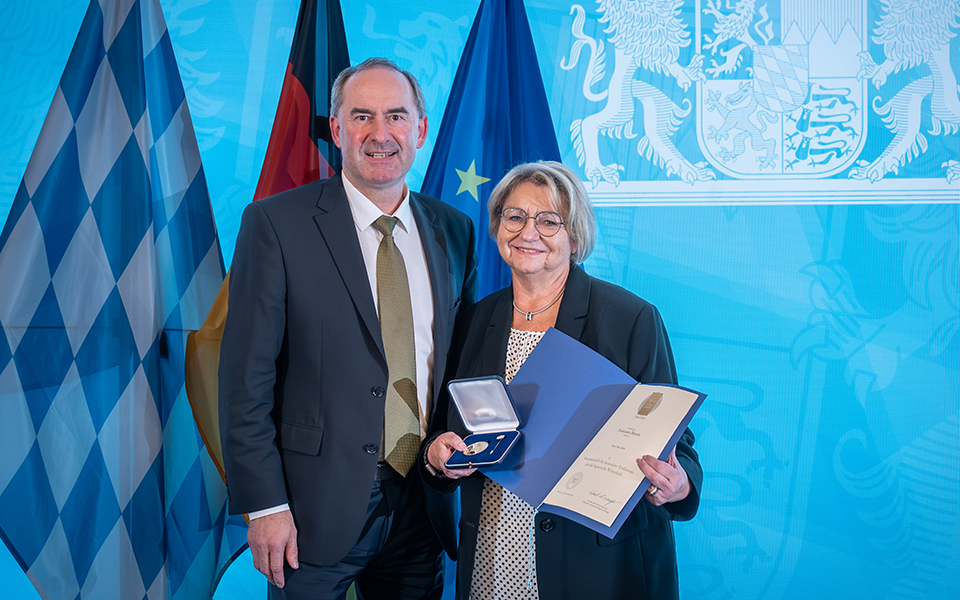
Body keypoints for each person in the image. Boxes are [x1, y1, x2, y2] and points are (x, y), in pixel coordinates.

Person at [219, 57, 478, 600]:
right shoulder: (275, 224)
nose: (380, 134)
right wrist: (265, 506)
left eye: (396, 116)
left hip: (423, 501)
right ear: (337, 129)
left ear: (420, 129)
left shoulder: (453, 230)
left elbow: (460, 363)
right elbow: (245, 379)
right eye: (361, 117)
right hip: (312, 509)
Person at [422, 161, 701, 599]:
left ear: (574, 237)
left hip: (595, 565)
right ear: (497, 229)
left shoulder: (629, 318)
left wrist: (677, 484)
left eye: (549, 221)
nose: (528, 232)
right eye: (514, 217)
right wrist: (439, 454)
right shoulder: (475, 320)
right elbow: (444, 431)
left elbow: (677, 444)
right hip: (494, 555)